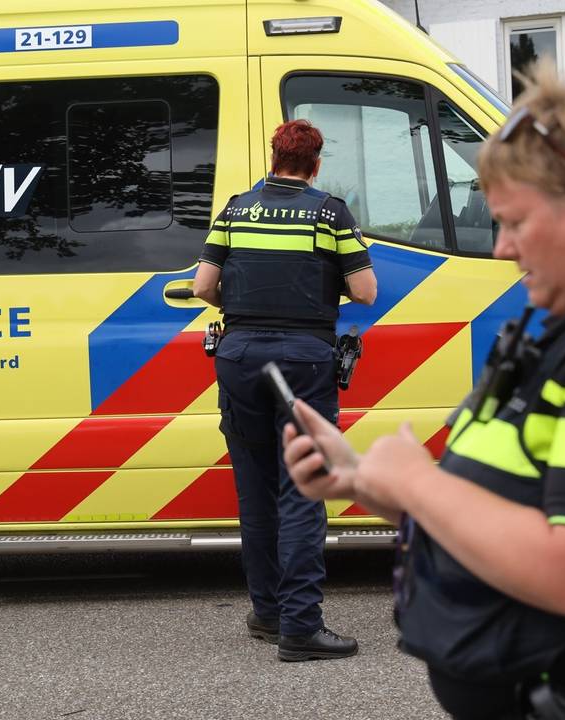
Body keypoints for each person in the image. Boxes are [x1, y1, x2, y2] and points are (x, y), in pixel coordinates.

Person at [283, 60, 565, 719]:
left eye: (516, 222)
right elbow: (513, 510)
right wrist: (366, 483)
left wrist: (418, 484)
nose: (502, 248)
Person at [193, 119, 378, 661]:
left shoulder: (235, 210)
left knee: (256, 492)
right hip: (302, 361)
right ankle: (301, 627)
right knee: (301, 490)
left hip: (238, 356)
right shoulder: (329, 213)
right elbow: (365, 292)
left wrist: (243, 304)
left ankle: (269, 612)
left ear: (273, 158)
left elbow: (204, 286)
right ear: (315, 165)